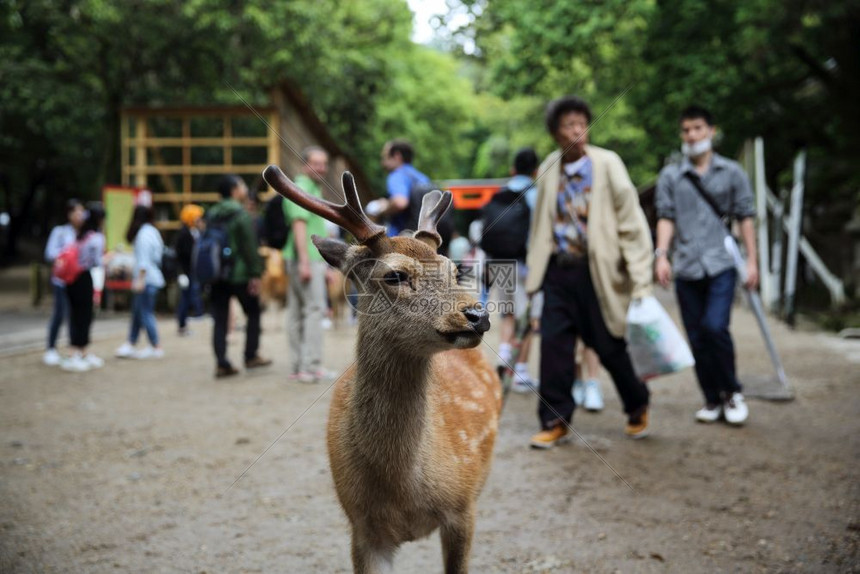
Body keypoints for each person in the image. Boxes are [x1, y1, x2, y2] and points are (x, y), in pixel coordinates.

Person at [525, 95, 654, 448]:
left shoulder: (608, 163)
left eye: (583, 123)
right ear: (555, 133)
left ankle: (637, 401)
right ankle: (555, 420)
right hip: (558, 272)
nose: (578, 131)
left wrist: (641, 275)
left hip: (598, 273)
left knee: (608, 345)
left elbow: (631, 221)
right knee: (553, 348)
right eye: (569, 125)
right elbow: (540, 226)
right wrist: (534, 276)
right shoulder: (550, 166)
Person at [655, 105, 758, 426]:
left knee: (716, 327)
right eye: (686, 130)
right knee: (697, 335)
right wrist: (661, 254)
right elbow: (666, 216)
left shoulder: (732, 172)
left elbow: (745, 217)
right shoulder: (671, 175)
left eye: (698, 128)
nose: (691, 135)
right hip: (686, 266)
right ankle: (711, 398)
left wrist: (752, 261)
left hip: (721, 264)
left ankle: (732, 392)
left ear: (711, 131)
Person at [479, 147, 540, 393]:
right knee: (527, 318)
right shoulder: (535, 195)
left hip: (498, 262)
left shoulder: (498, 195)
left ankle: (504, 363)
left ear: (512, 169)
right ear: (536, 171)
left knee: (507, 315)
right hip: (524, 265)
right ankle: (520, 372)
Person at [208, 174, 271, 378]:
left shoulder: (211, 214)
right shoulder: (241, 215)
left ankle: (221, 362)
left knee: (220, 318)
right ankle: (250, 356)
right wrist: (256, 273)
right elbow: (249, 248)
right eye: (242, 185)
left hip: (217, 273)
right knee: (253, 312)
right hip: (240, 274)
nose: (244, 189)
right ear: (235, 190)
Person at [283, 146, 333, 383]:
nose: (322, 167)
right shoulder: (302, 188)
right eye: (317, 163)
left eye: (324, 163)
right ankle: (310, 366)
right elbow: (299, 225)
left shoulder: (311, 187)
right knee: (314, 310)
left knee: (297, 311)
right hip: (305, 258)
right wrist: (305, 262)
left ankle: (298, 366)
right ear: (305, 164)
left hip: (305, 258)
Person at [115, 206, 166, 359]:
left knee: (145, 313)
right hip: (153, 277)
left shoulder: (143, 234)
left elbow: (144, 261)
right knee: (138, 313)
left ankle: (155, 345)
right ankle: (131, 343)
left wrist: (140, 280)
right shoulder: (153, 231)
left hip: (146, 279)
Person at [61, 204, 106, 372]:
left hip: (71, 279)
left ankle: (81, 352)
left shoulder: (80, 235)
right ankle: (74, 353)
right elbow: (97, 262)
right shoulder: (96, 237)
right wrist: (110, 259)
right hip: (83, 278)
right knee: (83, 316)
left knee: (76, 315)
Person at [43, 199, 85, 366]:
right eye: (77, 212)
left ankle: (73, 349)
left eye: (82, 212)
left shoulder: (84, 233)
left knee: (75, 316)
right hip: (61, 281)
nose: (80, 215)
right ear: (69, 214)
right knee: (59, 314)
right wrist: (67, 255)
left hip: (77, 281)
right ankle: (51, 348)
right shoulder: (60, 232)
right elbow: (50, 253)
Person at [369, 139, 431, 237]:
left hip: (402, 239)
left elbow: (400, 202)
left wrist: (382, 209)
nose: (382, 162)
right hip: (424, 238)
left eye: (385, 157)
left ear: (397, 156)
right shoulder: (422, 178)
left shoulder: (397, 175)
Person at [175, 203, 205, 335]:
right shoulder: (184, 234)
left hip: (190, 272)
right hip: (186, 272)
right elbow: (183, 254)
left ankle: (184, 324)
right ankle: (182, 325)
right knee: (185, 298)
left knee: (188, 297)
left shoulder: (194, 232)